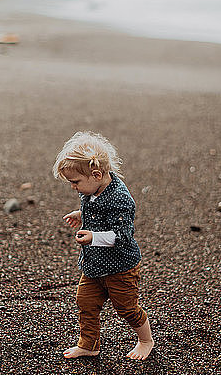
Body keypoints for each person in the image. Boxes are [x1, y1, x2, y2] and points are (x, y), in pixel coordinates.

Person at [52, 131, 154, 360]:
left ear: (96, 174)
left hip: (120, 268)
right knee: (85, 302)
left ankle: (146, 340)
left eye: (75, 182)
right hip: (94, 266)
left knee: (126, 308)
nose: (73, 188)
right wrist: (82, 214)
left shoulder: (120, 198)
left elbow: (122, 234)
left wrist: (93, 237)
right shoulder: (92, 190)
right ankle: (89, 344)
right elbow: (97, 212)